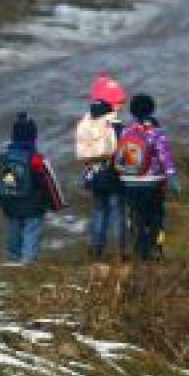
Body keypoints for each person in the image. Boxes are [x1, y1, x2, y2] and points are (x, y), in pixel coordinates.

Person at [0, 112, 66, 265]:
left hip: (10, 204)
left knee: (13, 234)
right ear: (33, 138)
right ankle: (27, 263)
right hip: (34, 207)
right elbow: (50, 183)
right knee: (31, 233)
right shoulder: (37, 159)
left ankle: (13, 259)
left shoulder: (3, 158)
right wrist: (57, 204)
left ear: (13, 137)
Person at [115, 94, 179, 261]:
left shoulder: (125, 131)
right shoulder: (156, 132)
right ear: (152, 109)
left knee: (136, 217)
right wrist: (173, 178)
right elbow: (165, 158)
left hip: (129, 182)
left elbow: (120, 156)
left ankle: (139, 249)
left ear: (132, 111)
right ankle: (155, 248)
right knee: (156, 217)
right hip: (152, 183)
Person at [75, 91, 127, 261]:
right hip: (115, 176)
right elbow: (127, 153)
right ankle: (121, 251)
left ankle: (97, 249)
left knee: (98, 212)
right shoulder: (117, 126)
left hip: (95, 176)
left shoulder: (87, 126)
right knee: (117, 213)